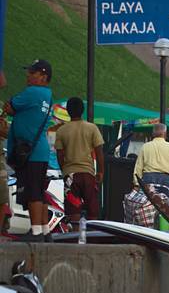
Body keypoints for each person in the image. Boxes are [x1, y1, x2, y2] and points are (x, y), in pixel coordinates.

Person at [3, 59, 55, 231]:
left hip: (30, 152)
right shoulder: (47, 95)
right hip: (40, 151)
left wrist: (11, 109)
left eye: (33, 73)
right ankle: (43, 230)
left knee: (32, 192)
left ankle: (35, 232)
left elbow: (11, 105)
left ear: (43, 76)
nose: (28, 75)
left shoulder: (33, 92)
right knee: (39, 193)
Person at [55, 96, 103, 225]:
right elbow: (99, 153)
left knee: (73, 212)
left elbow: (59, 155)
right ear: (83, 110)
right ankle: (93, 240)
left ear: (68, 111)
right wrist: (101, 172)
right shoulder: (92, 128)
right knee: (93, 213)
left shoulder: (61, 131)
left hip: (70, 175)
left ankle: (75, 240)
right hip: (88, 175)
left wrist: (64, 170)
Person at [132, 121, 169, 227]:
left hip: (148, 178)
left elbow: (138, 168)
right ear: (165, 134)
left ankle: (149, 231)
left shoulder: (145, 147)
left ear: (153, 134)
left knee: (147, 206)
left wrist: (136, 184)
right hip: (167, 180)